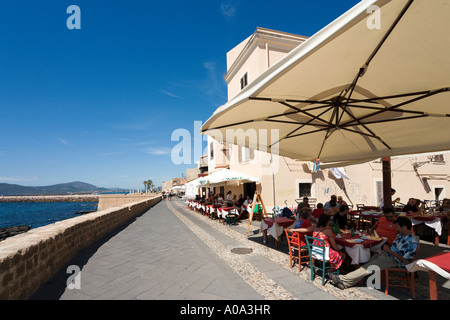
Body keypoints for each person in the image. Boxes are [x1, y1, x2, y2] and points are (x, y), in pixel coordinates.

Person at [329, 216, 419, 290]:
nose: (396, 229)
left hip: (395, 260)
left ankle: (343, 279)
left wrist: (389, 251)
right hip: (387, 255)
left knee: (367, 267)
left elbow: (407, 261)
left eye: (398, 227)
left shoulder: (412, 242)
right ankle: (346, 283)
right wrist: (387, 250)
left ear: (404, 227)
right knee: (367, 264)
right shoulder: (400, 235)